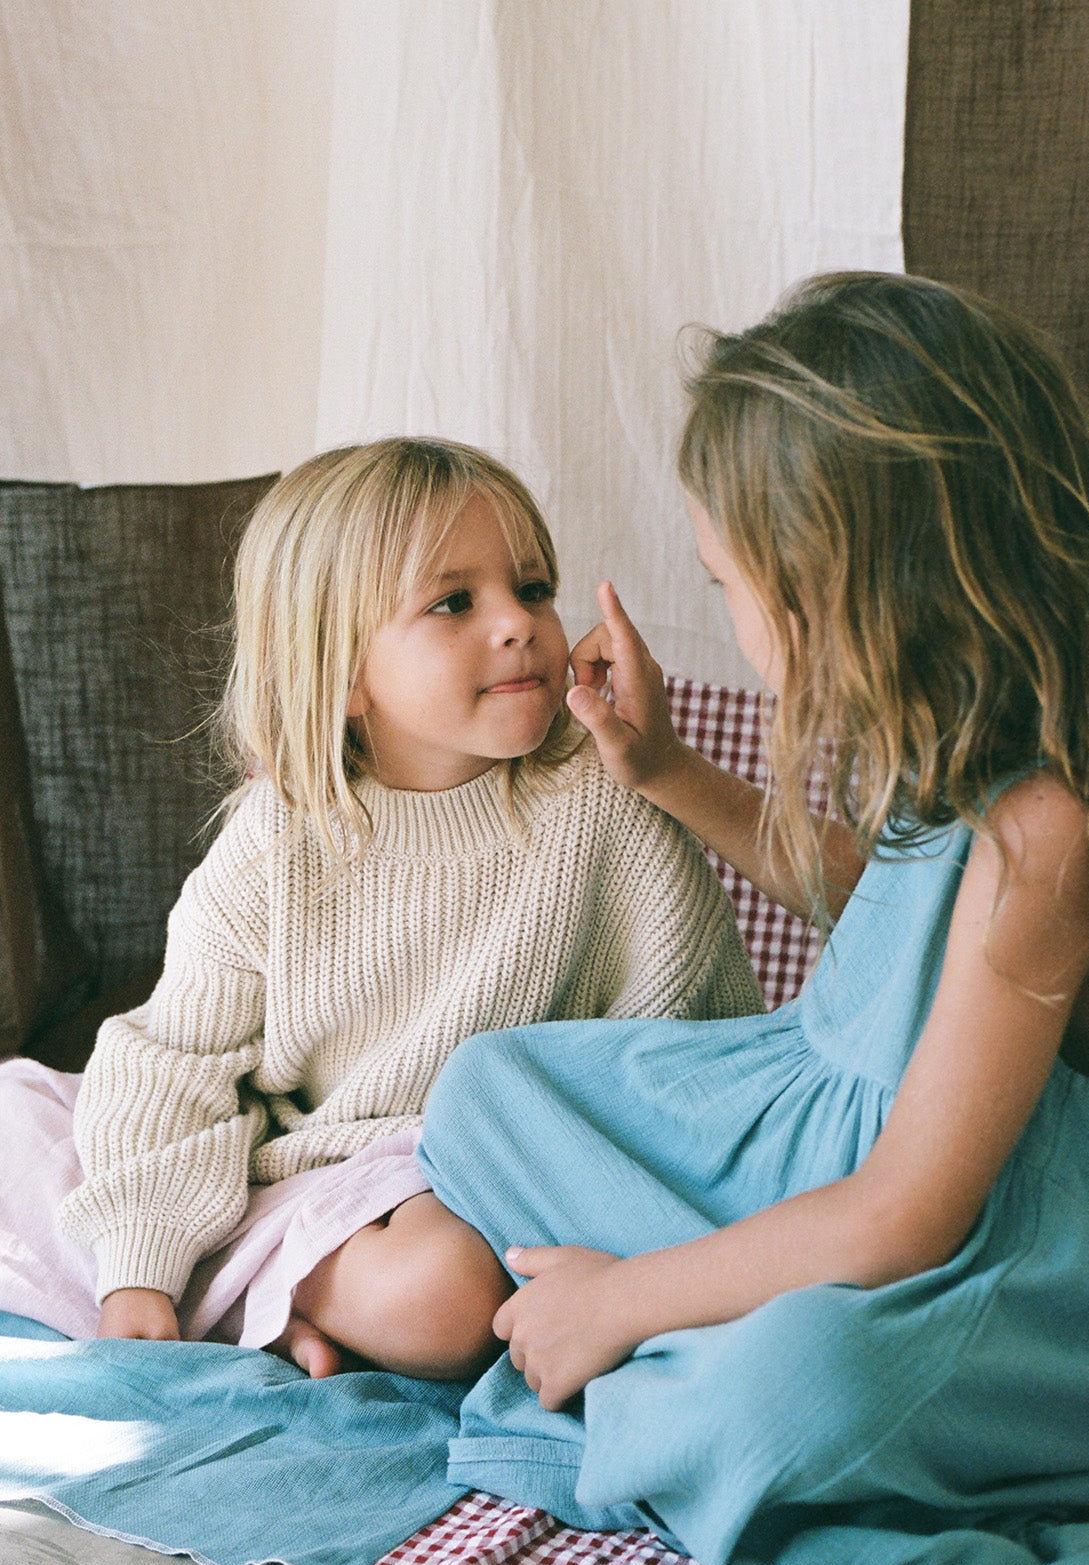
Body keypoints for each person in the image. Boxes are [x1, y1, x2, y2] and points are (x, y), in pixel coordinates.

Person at [417, 276, 1089, 1565]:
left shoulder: (1052, 831)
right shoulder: (947, 745)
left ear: (853, 584)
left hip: (963, 1250)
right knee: (486, 1090)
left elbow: (904, 1217)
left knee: (794, 1388)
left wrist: (618, 1298)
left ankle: (702, 1386)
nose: (727, 616)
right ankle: (698, 1372)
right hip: (820, 1143)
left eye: (733, 586)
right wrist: (664, 772)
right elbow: (885, 924)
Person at [3, 439, 761, 1382]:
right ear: (346, 674)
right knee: (24, 1117)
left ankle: (266, 1292)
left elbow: (696, 1038)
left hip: (494, 1176)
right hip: (310, 1163)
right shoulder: (282, 836)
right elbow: (176, 1059)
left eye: (532, 588)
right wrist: (141, 1276)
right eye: (455, 602)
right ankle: (248, 1280)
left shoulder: (600, 800)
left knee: (455, 1294)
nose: (518, 624)